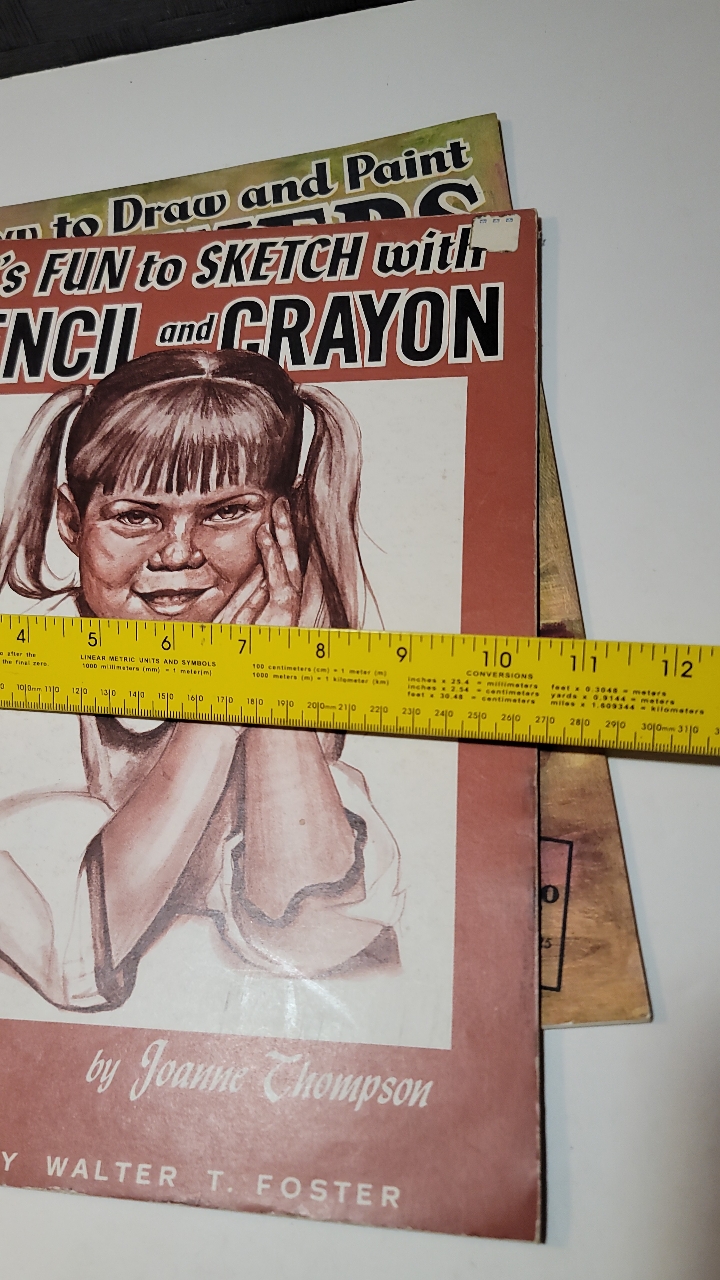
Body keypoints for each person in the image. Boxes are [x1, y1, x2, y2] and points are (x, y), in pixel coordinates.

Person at [0, 349, 402, 1013]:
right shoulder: (27, 681)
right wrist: (216, 704)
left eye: (225, 512)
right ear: (72, 521)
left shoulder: (300, 663)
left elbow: (315, 940)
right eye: (136, 516)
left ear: (287, 520)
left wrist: (263, 677)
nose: (178, 553)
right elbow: (76, 953)